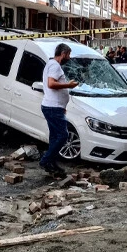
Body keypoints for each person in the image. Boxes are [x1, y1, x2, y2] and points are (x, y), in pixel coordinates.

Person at [40, 43, 79, 175]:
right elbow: (51, 84)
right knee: (63, 135)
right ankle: (46, 160)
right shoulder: (55, 65)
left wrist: (63, 106)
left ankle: (51, 163)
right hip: (53, 107)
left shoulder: (51, 64)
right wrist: (69, 85)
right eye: (68, 54)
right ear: (63, 54)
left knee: (55, 136)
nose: (69, 57)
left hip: (53, 106)